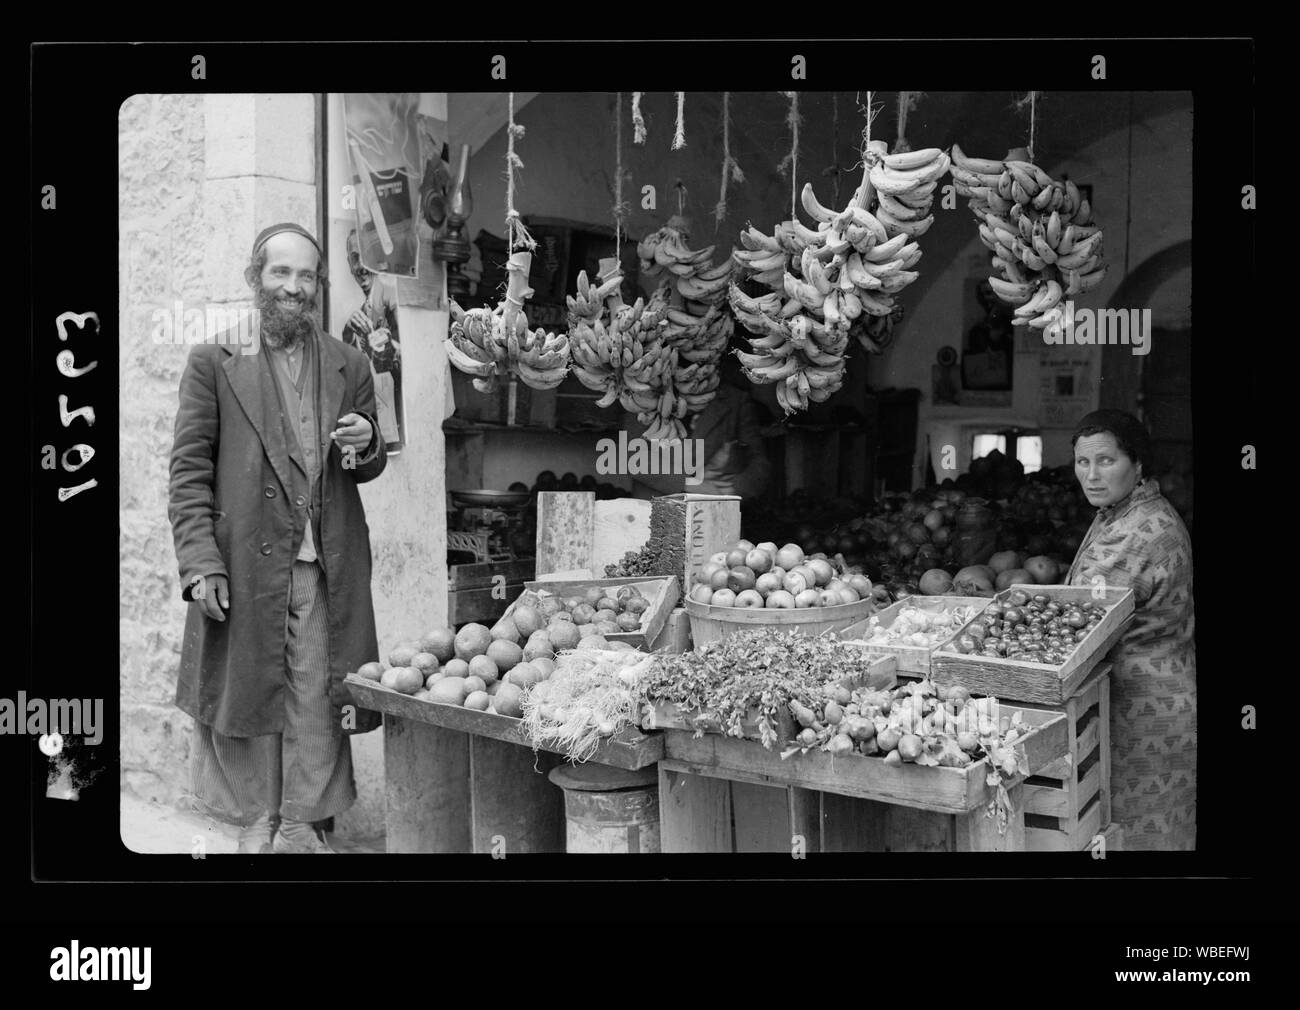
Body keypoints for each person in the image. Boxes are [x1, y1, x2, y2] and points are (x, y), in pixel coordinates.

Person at [168, 223, 388, 854]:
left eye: (305, 276)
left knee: (319, 696)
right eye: (280, 274)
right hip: (244, 563)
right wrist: (199, 562)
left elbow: (370, 460)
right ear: (256, 278)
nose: (293, 288)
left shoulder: (351, 363)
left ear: (319, 285)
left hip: (327, 564)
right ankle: (257, 820)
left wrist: (365, 442)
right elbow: (188, 472)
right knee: (255, 694)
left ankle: (300, 822)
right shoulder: (214, 360)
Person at [1065, 409, 1195, 851]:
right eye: (1083, 462)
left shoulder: (1135, 533)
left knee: (1141, 838)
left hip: (1142, 709)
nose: (1092, 475)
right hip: (1159, 694)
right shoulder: (1131, 509)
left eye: (1106, 461)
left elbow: (1077, 625)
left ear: (1137, 464)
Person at [629, 350, 771, 500]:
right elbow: (633, 456)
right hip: (655, 505)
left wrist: (733, 489)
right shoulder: (644, 395)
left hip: (716, 505)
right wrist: (689, 484)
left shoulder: (735, 400)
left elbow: (759, 462)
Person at [341, 229, 403, 449]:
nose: (360, 267)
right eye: (354, 258)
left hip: (402, 421)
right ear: (348, 264)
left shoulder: (391, 290)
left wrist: (375, 343)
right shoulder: (363, 311)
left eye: (367, 256)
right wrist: (350, 334)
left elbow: (407, 361)